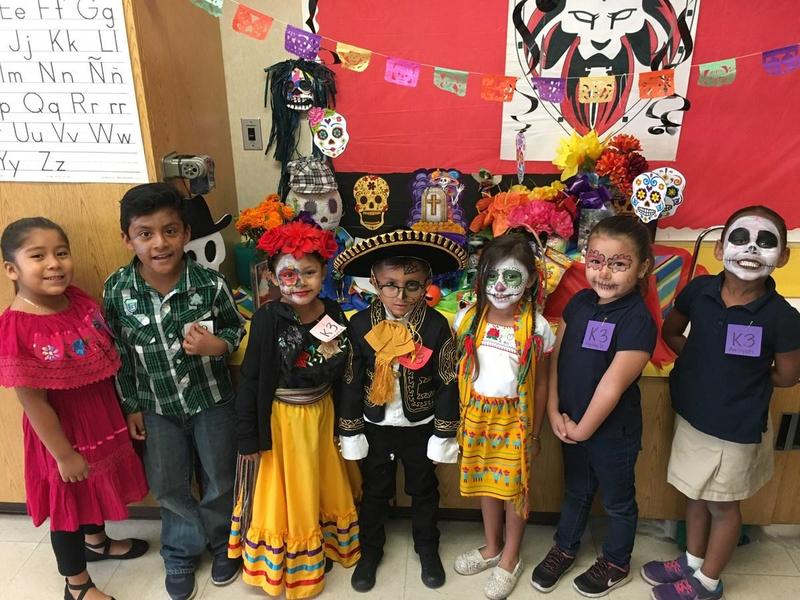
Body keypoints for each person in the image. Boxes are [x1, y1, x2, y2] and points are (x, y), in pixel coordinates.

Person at [643, 205, 800, 600]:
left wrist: (743, 377)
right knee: (695, 493)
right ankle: (693, 560)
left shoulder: (782, 317)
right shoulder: (699, 290)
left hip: (736, 426)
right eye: (740, 238)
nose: (750, 248)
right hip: (694, 415)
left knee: (722, 506)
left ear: (782, 256)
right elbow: (673, 330)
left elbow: (787, 374)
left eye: (765, 242)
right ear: (719, 249)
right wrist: (699, 358)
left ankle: (708, 582)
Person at [103, 183, 245, 600]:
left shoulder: (210, 285)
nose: (159, 243)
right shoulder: (117, 290)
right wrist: (130, 406)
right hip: (155, 408)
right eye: (145, 234)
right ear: (127, 238)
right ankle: (181, 550)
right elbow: (118, 354)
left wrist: (216, 345)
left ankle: (223, 543)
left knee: (220, 477)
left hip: (212, 401)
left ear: (185, 233)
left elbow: (235, 330)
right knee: (167, 483)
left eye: (169, 231)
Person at [0, 217, 149, 600]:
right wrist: (63, 455)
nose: (54, 263)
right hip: (61, 435)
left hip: (99, 418)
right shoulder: (18, 327)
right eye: (38, 256)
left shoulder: (78, 300)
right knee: (68, 502)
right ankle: (77, 585)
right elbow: (33, 402)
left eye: (61, 253)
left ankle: (97, 542)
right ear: (12, 269)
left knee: (93, 488)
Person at [228, 216, 360, 598]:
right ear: (271, 276)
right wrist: (248, 436)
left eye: (309, 272)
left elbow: (343, 371)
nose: (299, 282)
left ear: (323, 274)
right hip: (283, 422)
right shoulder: (268, 319)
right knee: (293, 488)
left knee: (318, 481)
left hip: (322, 415)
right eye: (289, 274)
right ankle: (295, 561)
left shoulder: (333, 312)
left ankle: (324, 543)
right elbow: (252, 380)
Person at [333, 229, 468, 592]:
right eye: (391, 285)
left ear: (426, 283)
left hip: (419, 425)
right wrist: (349, 429)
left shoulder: (438, 327)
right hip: (375, 424)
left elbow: (447, 381)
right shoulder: (360, 325)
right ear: (375, 283)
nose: (401, 295)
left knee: (423, 490)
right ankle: (370, 551)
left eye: (412, 285)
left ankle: (427, 548)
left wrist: (443, 432)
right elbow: (350, 380)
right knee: (375, 491)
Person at [531, 215, 657, 597]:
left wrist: (583, 430)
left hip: (610, 432)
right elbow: (558, 359)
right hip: (569, 422)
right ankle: (565, 547)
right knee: (577, 489)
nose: (604, 273)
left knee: (618, 501)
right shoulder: (580, 302)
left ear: (641, 267)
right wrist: (553, 411)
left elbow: (612, 386)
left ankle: (617, 561)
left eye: (619, 264)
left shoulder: (638, 320)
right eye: (596, 260)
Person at [452, 232, 554, 599]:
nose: (499, 286)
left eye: (511, 277)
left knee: (514, 490)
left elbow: (541, 384)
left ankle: (511, 556)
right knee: (487, 483)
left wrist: (535, 433)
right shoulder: (466, 319)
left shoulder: (538, 328)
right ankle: (492, 546)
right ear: (480, 279)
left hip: (516, 420)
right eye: (491, 276)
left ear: (529, 281)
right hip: (476, 417)